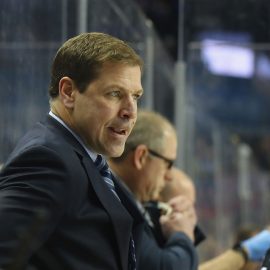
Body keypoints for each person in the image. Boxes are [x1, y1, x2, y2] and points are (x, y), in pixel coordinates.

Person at [0, 32, 144, 270]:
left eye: (136, 96)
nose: (130, 111)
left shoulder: (83, 155)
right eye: (115, 94)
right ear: (68, 92)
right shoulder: (48, 159)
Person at [109, 109, 199, 270]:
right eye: (168, 164)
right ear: (141, 157)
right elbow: (164, 267)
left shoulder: (119, 197)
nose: (170, 176)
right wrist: (182, 235)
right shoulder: (115, 204)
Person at [159, 167, 270, 270]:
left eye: (191, 208)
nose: (191, 218)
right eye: (183, 208)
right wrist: (244, 252)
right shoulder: (150, 249)